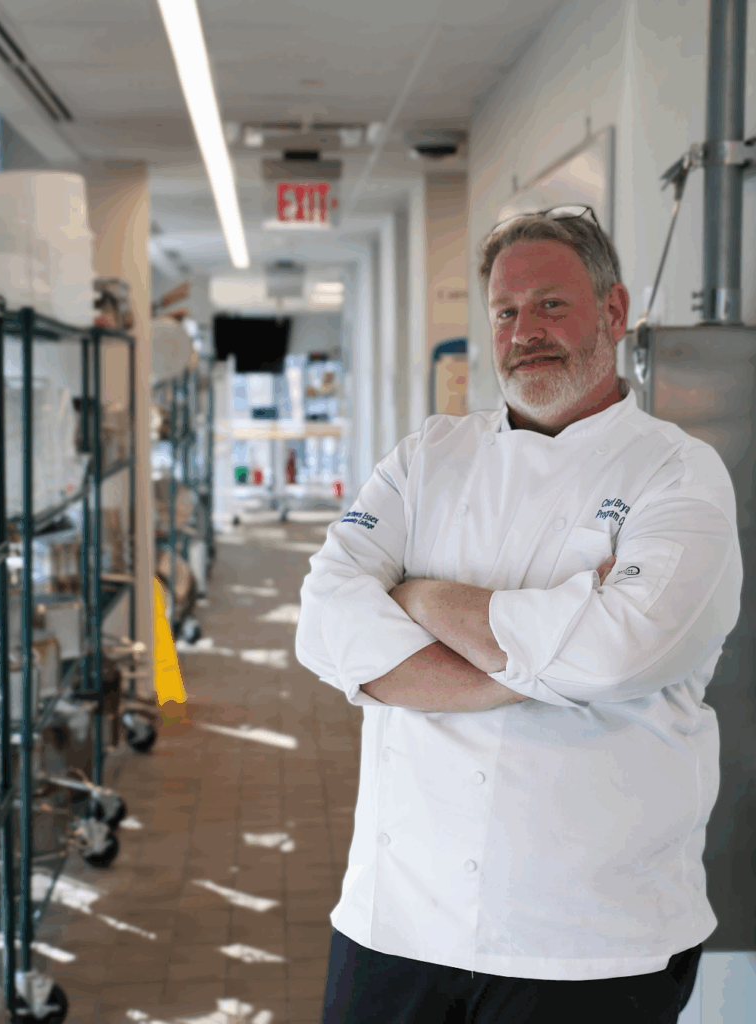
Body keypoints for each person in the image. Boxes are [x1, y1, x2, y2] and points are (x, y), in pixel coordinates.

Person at [295, 206, 743, 1023]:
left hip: (592, 938)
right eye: (506, 311)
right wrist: (542, 658)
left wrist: (421, 597)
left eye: (551, 305)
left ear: (613, 311)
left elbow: (616, 656)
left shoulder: (679, 474)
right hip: (395, 920)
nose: (524, 331)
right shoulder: (427, 456)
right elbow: (325, 621)